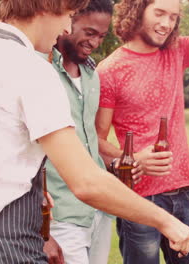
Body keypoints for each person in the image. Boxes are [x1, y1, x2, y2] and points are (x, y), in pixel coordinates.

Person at [0, 0, 189, 263]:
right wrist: (166, 221)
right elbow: (86, 183)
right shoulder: (33, 70)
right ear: (46, 6)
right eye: (68, 15)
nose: (66, 28)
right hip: (4, 242)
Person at [95, 0, 189, 262]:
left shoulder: (177, 51)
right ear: (136, 11)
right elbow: (96, 140)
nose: (166, 24)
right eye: (159, 13)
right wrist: (133, 160)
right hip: (137, 199)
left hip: (184, 192)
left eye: (173, 17)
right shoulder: (109, 70)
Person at [39, 1, 126, 263]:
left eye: (101, 36)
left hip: (97, 211)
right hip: (61, 216)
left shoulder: (91, 73)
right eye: (89, 32)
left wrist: (115, 163)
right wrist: (42, 232)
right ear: (68, 21)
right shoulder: (40, 72)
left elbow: (88, 143)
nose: (95, 42)